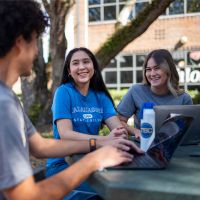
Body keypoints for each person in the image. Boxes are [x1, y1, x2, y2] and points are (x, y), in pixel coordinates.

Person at [0, 1, 143, 200]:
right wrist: (94, 159)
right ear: (19, 44)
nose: (36, 51)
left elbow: (40, 147)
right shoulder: (4, 104)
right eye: (35, 41)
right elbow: (25, 197)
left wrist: (104, 143)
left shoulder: (9, 98)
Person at [46, 47, 137, 199]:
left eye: (86, 62)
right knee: (109, 194)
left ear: (93, 67)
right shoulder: (63, 92)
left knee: (129, 186)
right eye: (75, 63)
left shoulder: (101, 96)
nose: (81, 67)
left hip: (93, 163)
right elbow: (65, 134)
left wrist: (122, 133)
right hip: (63, 165)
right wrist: (105, 140)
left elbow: (118, 129)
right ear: (69, 70)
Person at [117, 49, 193, 138]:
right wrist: (136, 131)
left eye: (157, 68)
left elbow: (190, 131)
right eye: (148, 69)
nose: (152, 73)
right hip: (143, 147)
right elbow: (118, 121)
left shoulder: (184, 98)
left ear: (168, 70)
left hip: (176, 149)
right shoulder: (136, 91)